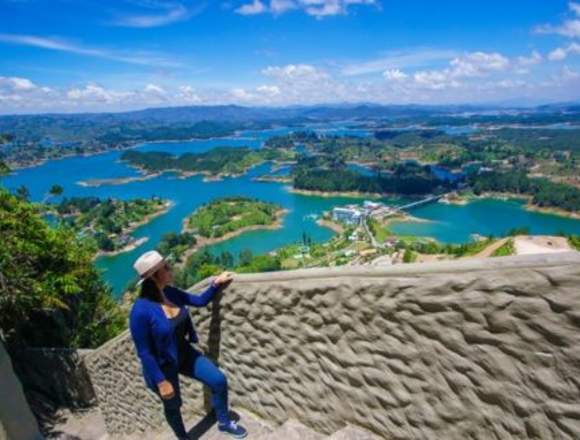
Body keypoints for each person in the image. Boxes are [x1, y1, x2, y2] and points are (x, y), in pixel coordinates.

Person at [129, 250, 247, 439]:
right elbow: (144, 353)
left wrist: (215, 284)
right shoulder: (140, 312)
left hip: (184, 354)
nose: (170, 269)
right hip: (162, 367)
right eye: (165, 268)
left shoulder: (171, 293)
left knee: (218, 380)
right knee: (173, 405)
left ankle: (224, 423)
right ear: (153, 278)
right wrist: (161, 381)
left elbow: (199, 301)